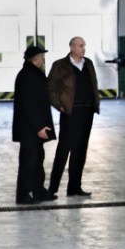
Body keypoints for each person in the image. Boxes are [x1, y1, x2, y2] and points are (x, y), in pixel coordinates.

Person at [47, 36, 100, 197]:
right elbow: (50, 89)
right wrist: (59, 105)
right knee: (64, 149)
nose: (83, 48)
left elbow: (93, 83)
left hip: (87, 112)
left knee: (80, 150)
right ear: (72, 47)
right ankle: (52, 189)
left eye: (84, 45)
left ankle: (74, 187)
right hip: (70, 112)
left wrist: (94, 103)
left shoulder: (88, 63)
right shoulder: (60, 65)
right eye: (80, 45)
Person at [13, 45, 55, 204]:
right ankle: (23, 195)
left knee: (37, 160)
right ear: (35, 59)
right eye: (41, 57)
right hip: (30, 129)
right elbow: (29, 105)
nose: (43, 60)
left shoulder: (33, 74)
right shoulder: (26, 76)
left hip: (34, 128)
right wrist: (39, 127)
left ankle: (38, 191)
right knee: (28, 162)